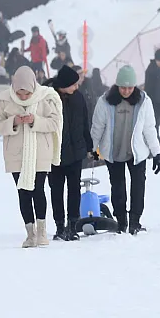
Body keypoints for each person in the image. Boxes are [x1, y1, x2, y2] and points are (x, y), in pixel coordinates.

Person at [0, 66, 63, 247]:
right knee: (23, 192)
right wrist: (13, 122)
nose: (23, 97)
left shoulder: (45, 98)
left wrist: (35, 121)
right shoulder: (4, 100)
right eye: (19, 93)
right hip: (15, 154)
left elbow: (54, 122)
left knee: (38, 190)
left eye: (27, 93)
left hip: (40, 152)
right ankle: (29, 233)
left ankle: (41, 231)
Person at [90, 66, 160, 235]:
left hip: (136, 153)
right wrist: (93, 149)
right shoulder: (105, 101)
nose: (126, 91)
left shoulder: (144, 101)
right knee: (118, 187)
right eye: (123, 87)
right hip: (113, 152)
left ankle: (135, 221)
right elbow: (97, 128)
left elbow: (149, 129)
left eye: (130, 88)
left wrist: (157, 153)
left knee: (138, 187)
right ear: (117, 86)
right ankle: (121, 221)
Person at [46, 65, 93, 241]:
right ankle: (59, 226)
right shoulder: (48, 98)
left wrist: (90, 148)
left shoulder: (78, 98)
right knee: (56, 191)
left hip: (76, 152)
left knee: (74, 190)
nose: (77, 87)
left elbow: (84, 124)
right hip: (54, 153)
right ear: (65, 84)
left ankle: (73, 225)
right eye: (73, 84)